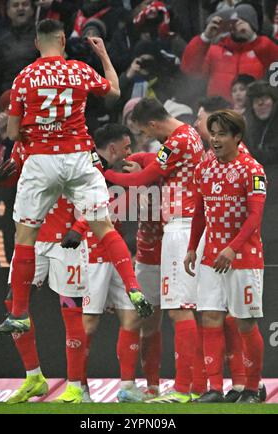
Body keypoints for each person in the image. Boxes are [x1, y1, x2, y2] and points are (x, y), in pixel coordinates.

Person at [0, 19, 153, 337]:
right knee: (104, 228)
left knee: (24, 237)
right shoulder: (79, 69)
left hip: (40, 160)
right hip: (78, 157)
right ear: (63, 40)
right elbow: (115, 93)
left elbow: (11, 132)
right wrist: (104, 55)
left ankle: (20, 313)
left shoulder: (24, 77)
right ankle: (133, 288)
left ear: (37, 44)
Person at [103, 98, 205, 403]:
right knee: (172, 310)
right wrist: (142, 161)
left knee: (179, 309)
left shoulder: (176, 141)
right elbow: (154, 164)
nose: (150, 140)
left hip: (180, 225)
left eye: (146, 133)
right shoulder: (187, 136)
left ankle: (186, 388)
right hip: (179, 227)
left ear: (152, 124)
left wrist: (105, 174)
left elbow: (144, 178)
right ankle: (181, 385)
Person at [61, 123, 162, 402]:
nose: (130, 152)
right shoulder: (88, 169)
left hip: (113, 250)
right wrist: (80, 229)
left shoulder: (107, 172)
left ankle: (127, 387)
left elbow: (158, 163)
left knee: (131, 316)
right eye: (127, 147)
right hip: (90, 252)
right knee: (89, 323)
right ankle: (78, 387)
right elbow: (87, 208)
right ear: (114, 148)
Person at [0, 141, 90, 404]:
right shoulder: (24, 145)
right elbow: (17, 180)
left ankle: (76, 386)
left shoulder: (77, 142)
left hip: (67, 240)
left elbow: (97, 192)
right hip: (32, 239)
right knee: (14, 303)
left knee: (71, 310)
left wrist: (80, 226)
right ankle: (34, 378)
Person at [184, 109, 266, 403]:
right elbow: (199, 212)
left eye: (221, 134)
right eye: (213, 133)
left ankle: (253, 389)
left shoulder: (251, 169)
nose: (215, 140)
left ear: (237, 137)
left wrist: (232, 248)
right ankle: (215, 388)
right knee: (210, 317)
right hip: (210, 257)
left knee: (245, 321)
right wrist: (193, 247)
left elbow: (255, 217)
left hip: (243, 257)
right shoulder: (204, 169)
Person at [181, 3, 278, 100]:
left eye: (244, 22)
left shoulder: (263, 49)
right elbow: (190, 70)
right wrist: (205, 37)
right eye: (235, 22)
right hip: (219, 111)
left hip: (252, 111)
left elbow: (275, 67)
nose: (239, 26)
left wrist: (253, 39)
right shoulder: (215, 50)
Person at [245, 80, 278, 165]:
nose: (260, 104)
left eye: (264, 99)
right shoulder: (249, 129)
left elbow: (271, 156)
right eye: (256, 101)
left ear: (274, 102)